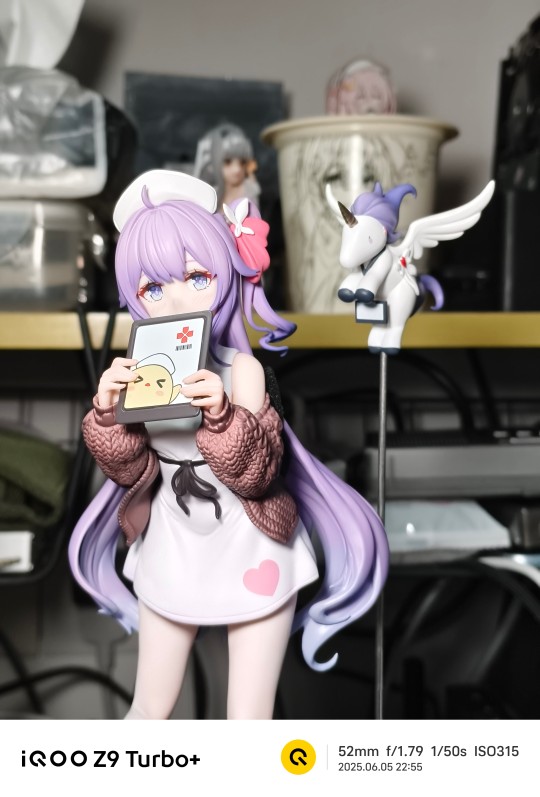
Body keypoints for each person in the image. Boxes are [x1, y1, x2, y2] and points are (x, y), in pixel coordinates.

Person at [69, 169, 389, 720]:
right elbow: (127, 471)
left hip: (251, 545)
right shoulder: (141, 370)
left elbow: (258, 473)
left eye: (196, 277)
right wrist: (106, 414)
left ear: (223, 274)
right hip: (173, 543)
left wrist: (220, 416)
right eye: (152, 289)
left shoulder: (242, 371)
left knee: (248, 721)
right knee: (147, 711)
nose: (175, 300)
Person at [193, 122, 260, 207]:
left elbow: (254, 214)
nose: (237, 169)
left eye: (242, 162)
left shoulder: (250, 190)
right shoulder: (212, 194)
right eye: (228, 162)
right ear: (215, 162)